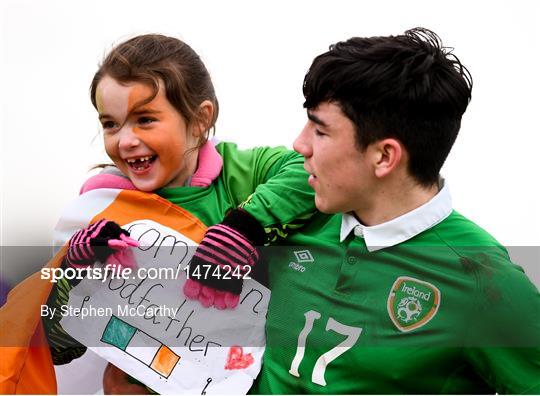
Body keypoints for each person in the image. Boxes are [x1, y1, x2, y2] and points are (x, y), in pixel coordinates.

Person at [9, 33, 316, 392]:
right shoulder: (98, 208)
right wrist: (73, 276)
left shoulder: (243, 172)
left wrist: (245, 228)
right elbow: (60, 349)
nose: (125, 140)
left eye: (145, 119)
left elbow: (311, 168)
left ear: (200, 119)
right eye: (110, 124)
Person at [249, 28, 540, 394]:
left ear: (384, 156)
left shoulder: (483, 280)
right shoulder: (297, 212)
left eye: (321, 132)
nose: (300, 144)